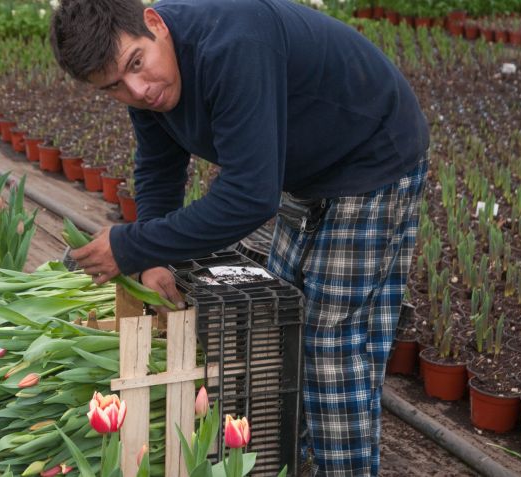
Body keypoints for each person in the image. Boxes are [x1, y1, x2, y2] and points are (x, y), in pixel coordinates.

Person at [50, 0, 429, 474]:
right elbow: (158, 166)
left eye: (136, 64)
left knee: (330, 345)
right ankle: (302, 461)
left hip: (370, 157)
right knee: (284, 328)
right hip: (306, 171)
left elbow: (250, 197)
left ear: (154, 23)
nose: (138, 90)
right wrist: (152, 259)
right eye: (114, 88)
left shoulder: (233, 43)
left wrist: (132, 246)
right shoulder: (146, 83)